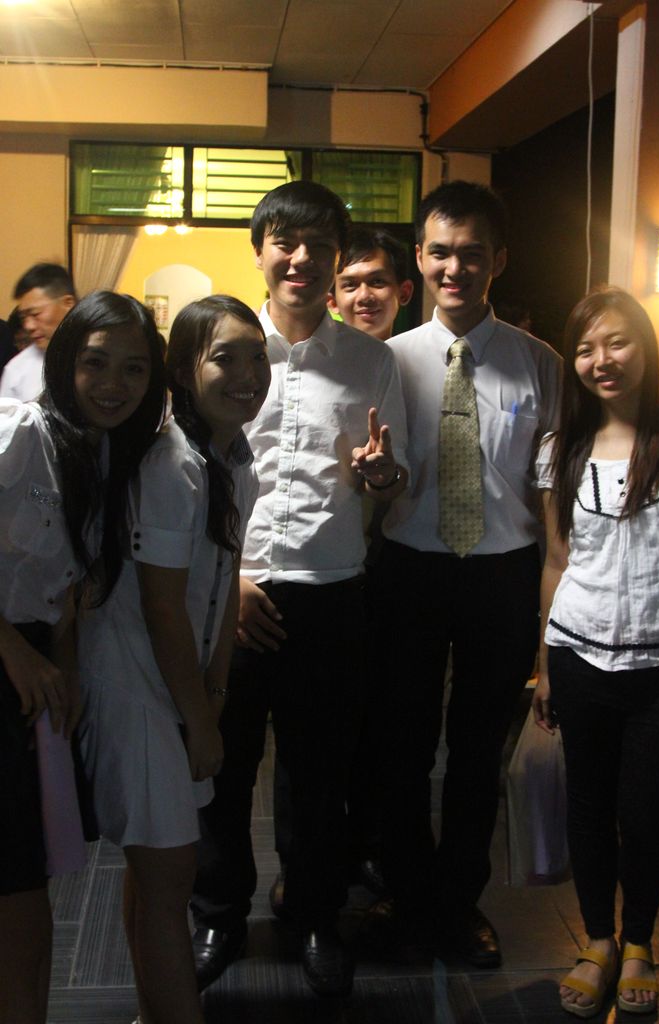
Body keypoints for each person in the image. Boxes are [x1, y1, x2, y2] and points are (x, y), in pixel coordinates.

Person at [190, 180, 408, 998]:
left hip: (330, 593)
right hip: (231, 593)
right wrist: (234, 579)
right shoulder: (223, 346)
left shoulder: (372, 360)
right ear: (260, 251)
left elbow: (393, 477)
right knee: (221, 767)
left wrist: (382, 477)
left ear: (336, 259)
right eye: (286, 240)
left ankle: (315, 915)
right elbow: (189, 472)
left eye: (320, 244)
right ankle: (217, 914)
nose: (302, 258)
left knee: (319, 774)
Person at [368, 180, 562, 964]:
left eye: (471, 254)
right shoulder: (385, 362)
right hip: (408, 571)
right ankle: (408, 892)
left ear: (498, 261)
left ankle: (458, 903)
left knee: (478, 751)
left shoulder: (540, 365)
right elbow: (374, 476)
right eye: (440, 252)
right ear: (419, 257)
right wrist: (379, 479)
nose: (455, 269)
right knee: (401, 744)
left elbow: (549, 501)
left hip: (501, 576)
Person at [77, 295, 266, 1024]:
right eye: (225, 358)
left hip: (177, 687)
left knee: (155, 870)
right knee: (170, 876)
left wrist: (215, 692)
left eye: (257, 357)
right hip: (137, 687)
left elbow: (221, 586)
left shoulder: (234, 459)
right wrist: (200, 718)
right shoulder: (171, 464)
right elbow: (162, 609)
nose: (248, 373)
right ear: (184, 372)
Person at [0, 290, 166, 1024]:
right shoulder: (20, 432)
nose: (113, 384)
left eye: (134, 368)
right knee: (16, 896)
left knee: (28, 890)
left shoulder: (105, 452)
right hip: (9, 659)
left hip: (34, 671)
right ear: (64, 360)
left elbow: (64, 581)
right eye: (96, 363)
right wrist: (14, 650)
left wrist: (62, 661)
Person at [533, 286, 659, 1018]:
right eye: (587, 349)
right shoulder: (559, 449)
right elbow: (557, 561)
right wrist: (542, 666)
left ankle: (640, 941)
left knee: (648, 811)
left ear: (645, 347)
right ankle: (597, 940)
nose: (602, 360)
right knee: (587, 806)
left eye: (617, 342)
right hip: (579, 654)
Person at [0, 264, 76, 401]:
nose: (28, 326)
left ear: (68, 303)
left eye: (35, 314)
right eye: (24, 317)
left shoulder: (102, 353)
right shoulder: (16, 371)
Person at [329, 227, 414, 341]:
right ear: (332, 302)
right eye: (350, 285)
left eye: (377, 281)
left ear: (404, 293)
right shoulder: (313, 352)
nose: (364, 296)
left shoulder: (422, 352)